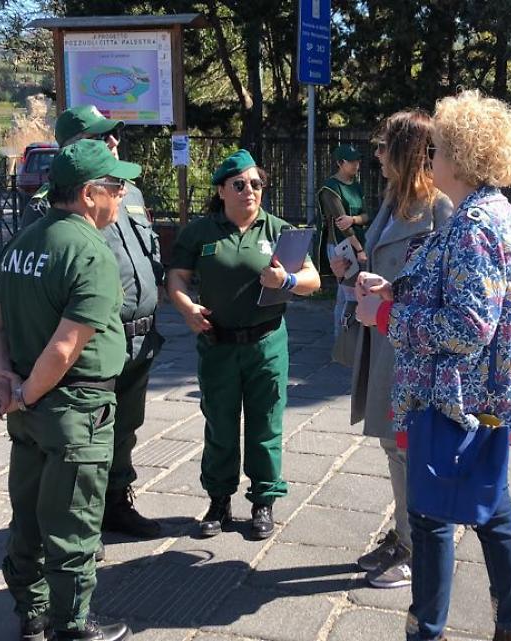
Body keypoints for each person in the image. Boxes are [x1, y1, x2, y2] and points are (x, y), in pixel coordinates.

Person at [354, 90, 511, 641]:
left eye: (435, 149)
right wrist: (399, 289)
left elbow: (466, 329)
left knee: (431, 516)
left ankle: (427, 630)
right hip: (487, 400)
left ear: (459, 158)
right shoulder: (492, 214)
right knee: (492, 508)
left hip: (455, 401)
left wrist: (385, 315)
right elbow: (465, 298)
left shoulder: (473, 227)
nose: (428, 159)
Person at [0, 139, 138, 641]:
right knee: (73, 520)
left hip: (30, 406)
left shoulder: (23, 241)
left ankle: (32, 610)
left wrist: (6, 382)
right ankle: (71, 624)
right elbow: (67, 346)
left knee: (27, 513)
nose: (123, 195)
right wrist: (23, 392)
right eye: (117, 186)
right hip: (76, 407)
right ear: (90, 194)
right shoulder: (91, 252)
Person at [21, 105, 166, 540]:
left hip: (140, 336)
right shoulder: (49, 206)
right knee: (84, 436)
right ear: (72, 147)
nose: (114, 142)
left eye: (114, 134)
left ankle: (116, 504)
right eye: (101, 137)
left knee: (124, 430)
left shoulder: (128, 192)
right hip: (91, 341)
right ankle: (79, 523)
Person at [167, 149, 321, 540]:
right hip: (217, 344)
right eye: (239, 184)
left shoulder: (280, 231)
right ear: (221, 190)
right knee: (219, 423)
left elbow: (313, 280)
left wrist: (284, 282)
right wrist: (185, 307)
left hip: (266, 344)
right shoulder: (200, 233)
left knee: (266, 424)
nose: (249, 191)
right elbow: (178, 278)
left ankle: (263, 501)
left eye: (256, 184)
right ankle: (219, 501)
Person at [330, 111, 452, 589]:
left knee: (407, 447)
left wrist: (391, 294)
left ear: (406, 151)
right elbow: (381, 259)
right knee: (390, 442)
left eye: (382, 146)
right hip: (382, 339)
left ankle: (417, 546)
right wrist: (351, 269)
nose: (375, 155)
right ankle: (404, 534)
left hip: (412, 349)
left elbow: (444, 286)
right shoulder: (393, 200)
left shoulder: (439, 207)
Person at [316, 143, 369, 335]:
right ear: (340, 163)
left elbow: (365, 216)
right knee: (349, 296)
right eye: (351, 161)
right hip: (342, 247)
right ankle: (343, 340)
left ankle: (345, 341)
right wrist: (360, 250)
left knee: (345, 295)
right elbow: (342, 224)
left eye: (358, 160)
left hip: (358, 244)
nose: (356, 165)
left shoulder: (356, 186)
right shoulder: (330, 189)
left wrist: (354, 219)